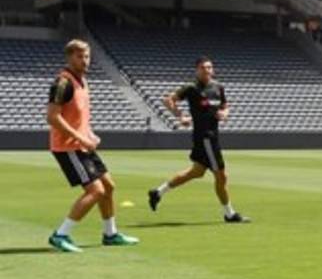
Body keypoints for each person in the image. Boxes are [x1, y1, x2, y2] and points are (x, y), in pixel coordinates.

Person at [46, 39, 139, 253]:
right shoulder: (62, 83)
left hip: (82, 145)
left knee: (108, 187)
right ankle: (60, 235)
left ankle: (111, 234)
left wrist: (89, 134)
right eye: (80, 56)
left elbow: (79, 116)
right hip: (67, 147)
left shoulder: (83, 81)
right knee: (96, 190)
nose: (85, 60)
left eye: (87, 56)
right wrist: (80, 137)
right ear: (69, 57)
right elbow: (52, 117)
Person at [147, 56, 249, 223]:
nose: (207, 70)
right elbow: (168, 100)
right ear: (197, 70)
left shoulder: (218, 87)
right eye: (203, 68)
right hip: (205, 137)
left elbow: (225, 106)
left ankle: (158, 192)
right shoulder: (191, 88)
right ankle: (229, 214)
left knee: (196, 172)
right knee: (221, 176)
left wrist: (225, 114)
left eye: (209, 67)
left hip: (213, 135)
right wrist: (181, 116)